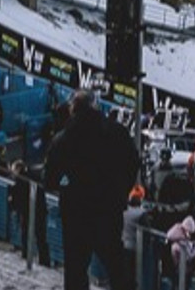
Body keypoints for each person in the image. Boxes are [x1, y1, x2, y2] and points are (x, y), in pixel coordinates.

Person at [43, 90, 140, 290]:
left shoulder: (63, 140)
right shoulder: (117, 132)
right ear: (95, 106)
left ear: (73, 109)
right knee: (117, 268)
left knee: (75, 270)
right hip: (109, 211)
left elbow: (50, 179)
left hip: (76, 214)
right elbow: (133, 163)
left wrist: (67, 186)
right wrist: (121, 191)